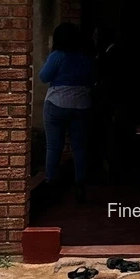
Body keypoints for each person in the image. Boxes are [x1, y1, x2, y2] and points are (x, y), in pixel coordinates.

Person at [39, 22, 95, 201]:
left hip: (56, 104)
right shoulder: (86, 58)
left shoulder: (57, 55)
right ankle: (80, 185)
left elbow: (43, 77)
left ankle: (51, 183)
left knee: (53, 147)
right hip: (81, 105)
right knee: (79, 148)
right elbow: (92, 78)